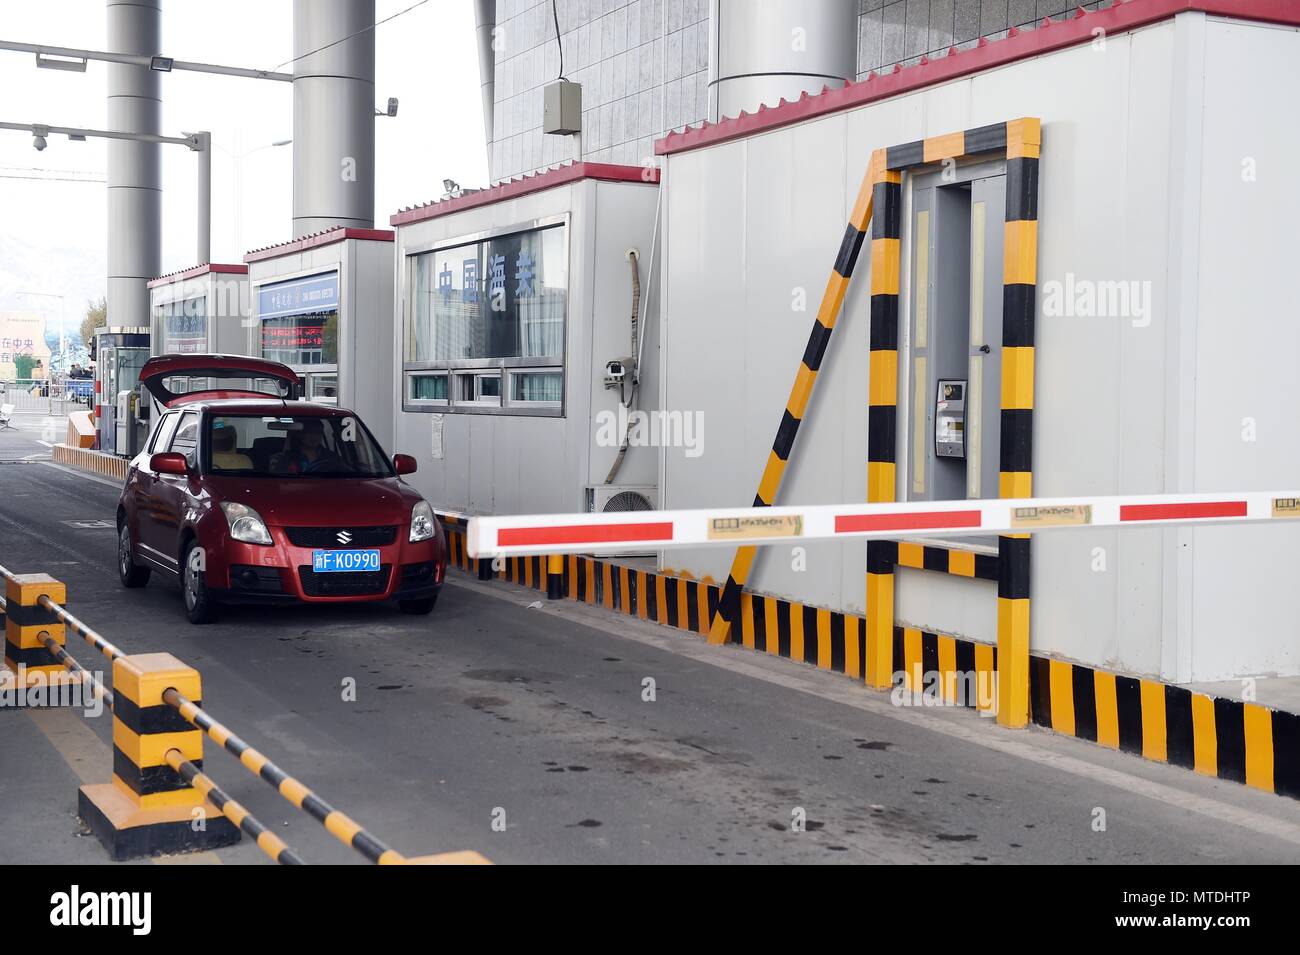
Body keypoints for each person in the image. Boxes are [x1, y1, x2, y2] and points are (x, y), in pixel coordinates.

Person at [270, 418, 340, 474]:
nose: (314, 436)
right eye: (309, 432)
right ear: (299, 434)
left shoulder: (332, 458)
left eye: (318, 432)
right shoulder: (280, 458)